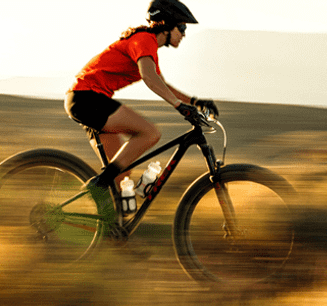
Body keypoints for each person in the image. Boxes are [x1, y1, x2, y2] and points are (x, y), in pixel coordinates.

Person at [64, 0, 218, 212]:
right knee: (150, 133)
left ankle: (113, 228)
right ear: (167, 24)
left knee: (121, 173)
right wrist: (178, 106)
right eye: (181, 28)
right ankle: (97, 185)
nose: (184, 34)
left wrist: (195, 102)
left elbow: (160, 83)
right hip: (88, 99)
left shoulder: (147, 46)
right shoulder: (144, 40)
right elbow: (149, 78)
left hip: (83, 100)